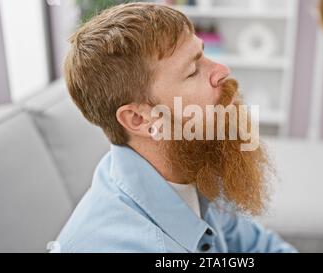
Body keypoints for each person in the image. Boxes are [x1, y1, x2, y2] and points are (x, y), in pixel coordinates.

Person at [55, 2, 296, 253]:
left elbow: (261, 247)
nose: (222, 70)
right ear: (139, 119)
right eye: (193, 71)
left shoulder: (193, 164)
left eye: (202, 53)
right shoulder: (119, 246)